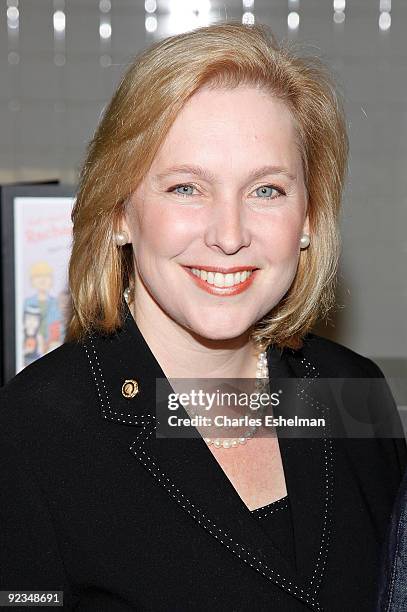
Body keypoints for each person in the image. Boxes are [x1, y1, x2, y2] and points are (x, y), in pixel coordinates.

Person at [0, 21, 405, 612]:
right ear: (118, 213)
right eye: (186, 188)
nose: (230, 236)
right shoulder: (34, 434)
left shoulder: (354, 393)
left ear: (310, 218)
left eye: (267, 190)